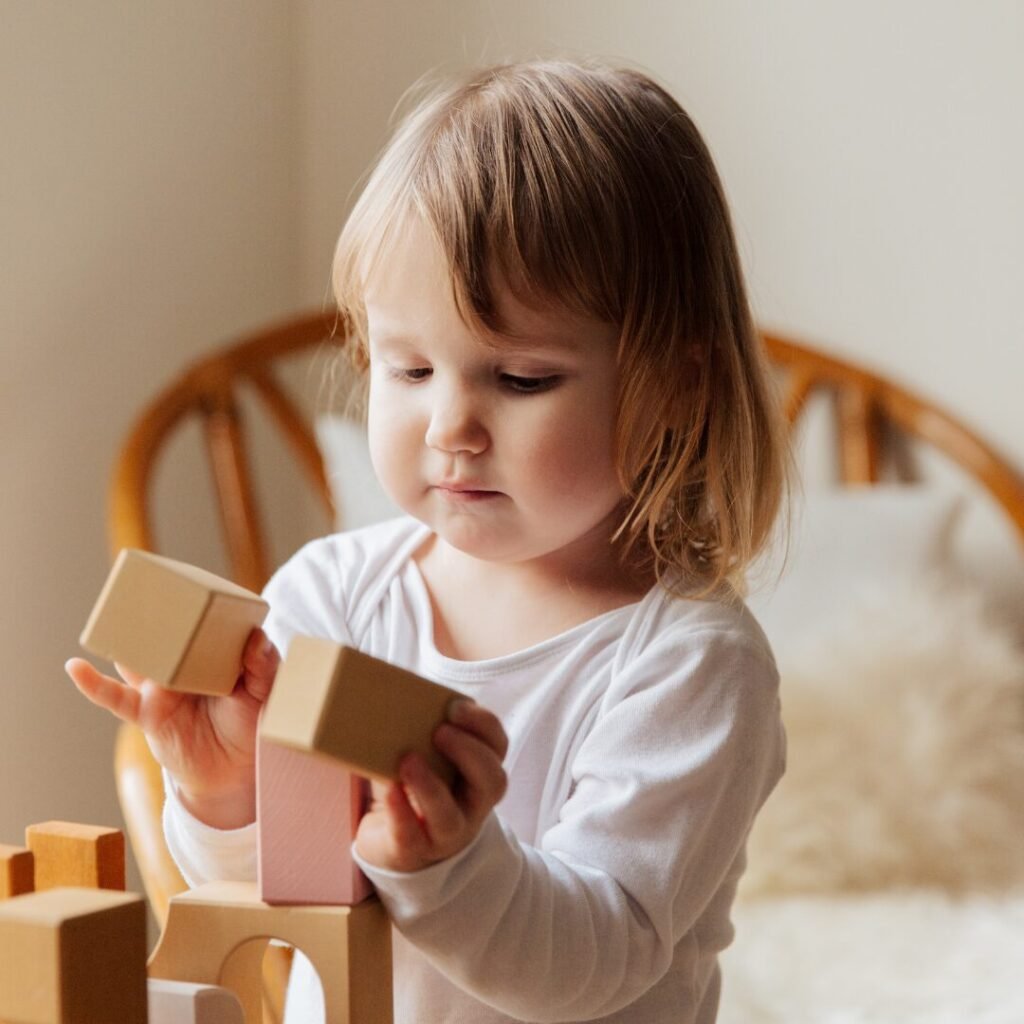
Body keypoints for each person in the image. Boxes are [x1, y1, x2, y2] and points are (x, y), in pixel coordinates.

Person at [67, 58, 790, 1023]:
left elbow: (597, 958)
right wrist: (223, 794)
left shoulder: (691, 664)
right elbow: (282, 900)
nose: (451, 425)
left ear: (677, 385)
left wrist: (454, 866)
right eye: (407, 368)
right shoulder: (328, 598)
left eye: (523, 378)